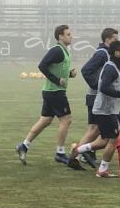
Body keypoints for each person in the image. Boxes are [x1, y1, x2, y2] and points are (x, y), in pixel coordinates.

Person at [15, 24, 79, 167]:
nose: (71, 36)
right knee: (66, 120)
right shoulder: (57, 50)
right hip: (55, 92)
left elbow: (57, 69)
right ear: (60, 36)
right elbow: (42, 65)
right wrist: (57, 80)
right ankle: (60, 153)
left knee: (45, 121)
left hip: (51, 91)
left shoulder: (65, 50)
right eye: (68, 34)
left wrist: (69, 75)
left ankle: (24, 145)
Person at [68, 40, 120, 176]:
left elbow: (113, 85)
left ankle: (78, 150)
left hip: (109, 109)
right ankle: (103, 170)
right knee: (114, 140)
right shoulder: (110, 67)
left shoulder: (116, 66)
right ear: (116, 52)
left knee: (104, 141)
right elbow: (103, 87)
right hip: (105, 110)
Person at [72, 27, 120, 168]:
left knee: (95, 129)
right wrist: (97, 85)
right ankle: (76, 156)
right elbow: (86, 70)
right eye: (115, 40)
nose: (117, 42)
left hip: (97, 96)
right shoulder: (102, 53)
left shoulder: (107, 53)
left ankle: (80, 155)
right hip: (95, 96)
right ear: (107, 40)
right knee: (94, 130)